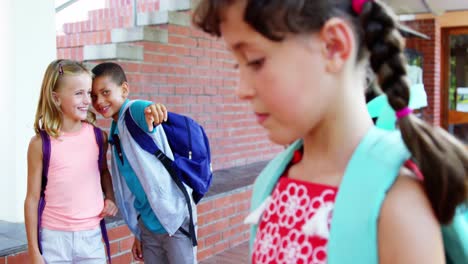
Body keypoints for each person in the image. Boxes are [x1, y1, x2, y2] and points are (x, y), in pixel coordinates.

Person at [192, 0, 468, 263]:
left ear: (334, 46)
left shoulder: (397, 203)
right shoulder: (274, 179)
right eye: (236, 64)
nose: (240, 89)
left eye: (254, 60)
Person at [91, 62, 196, 263]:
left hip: (173, 221)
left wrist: (152, 110)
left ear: (124, 89)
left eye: (105, 92)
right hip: (147, 226)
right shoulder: (115, 127)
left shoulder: (134, 110)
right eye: (94, 96)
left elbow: (147, 110)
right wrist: (138, 233)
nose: (99, 101)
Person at [24, 59, 118, 264]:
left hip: (91, 237)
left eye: (88, 93)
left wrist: (110, 197)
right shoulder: (40, 144)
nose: (87, 100)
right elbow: (32, 199)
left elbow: (103, 172)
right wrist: (34, 252)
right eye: (78, 93)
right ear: (56, 98)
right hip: (53, 239)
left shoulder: (98, 137)